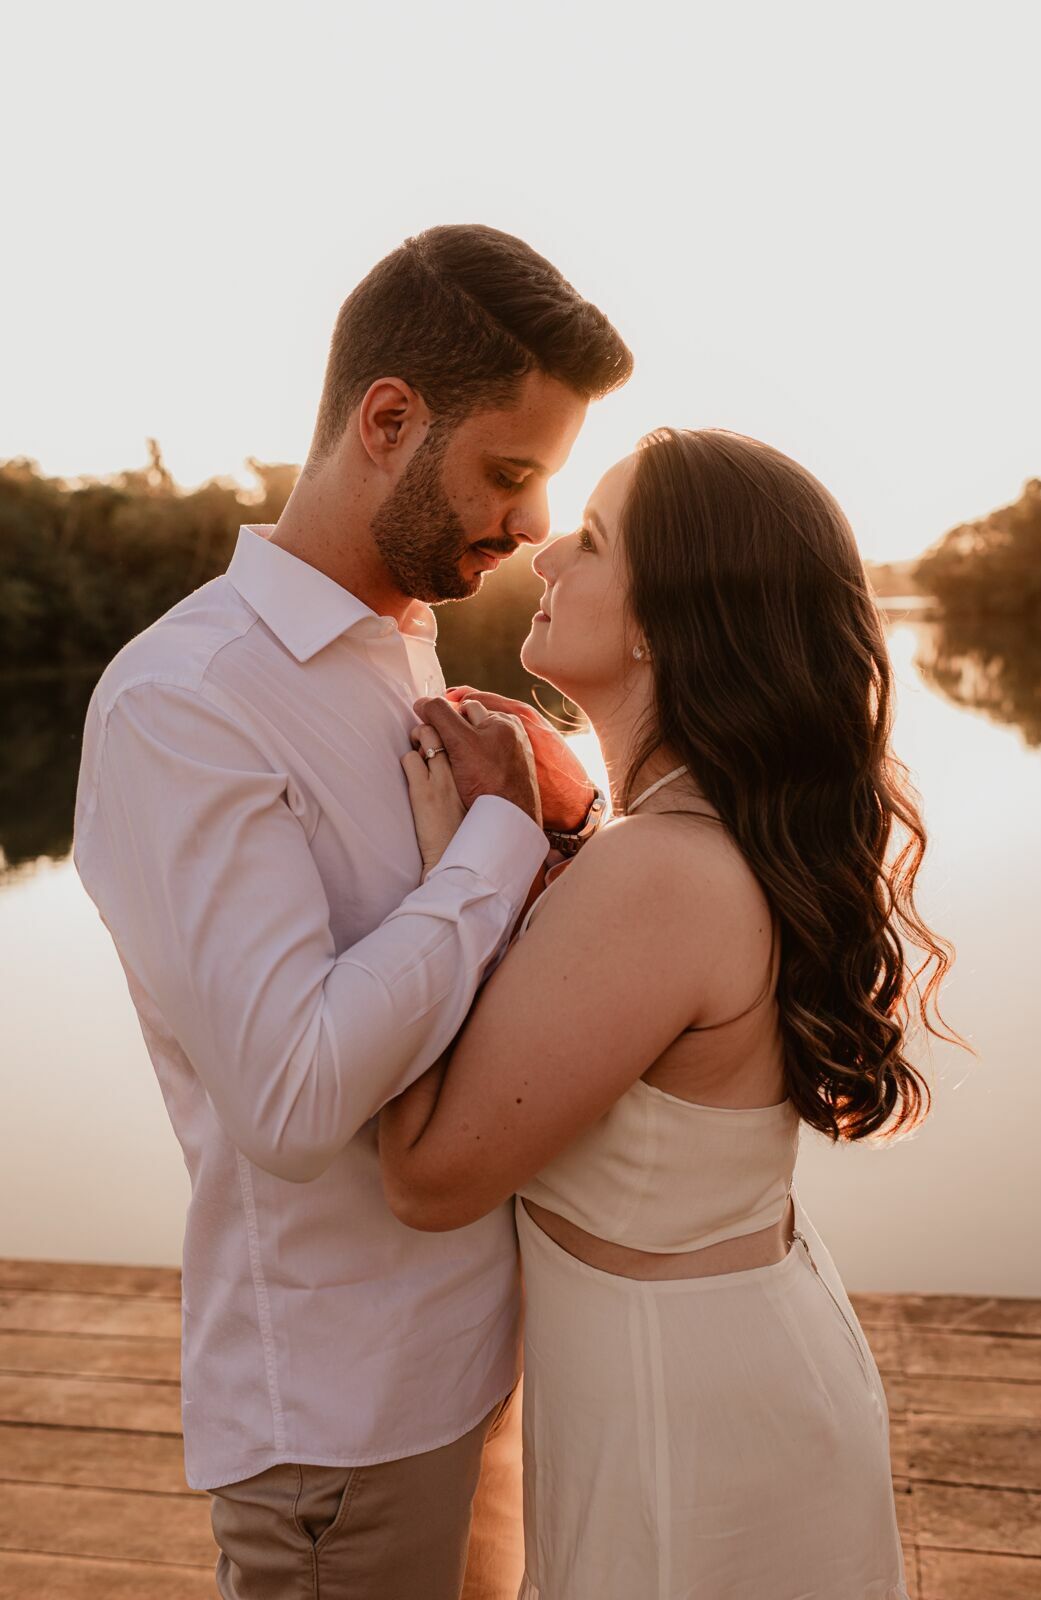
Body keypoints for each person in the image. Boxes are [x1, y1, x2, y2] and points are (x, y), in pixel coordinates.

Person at [73, 224, 631, 1600]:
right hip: (344, 1420)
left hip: (481, 1362)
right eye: (510, 473)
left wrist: (563, 830)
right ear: (388, 420)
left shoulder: (404, 656)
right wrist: (498, 835)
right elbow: (292, 1097)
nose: (532, 526)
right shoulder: (186, 702)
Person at [379, 428, 957, 1599]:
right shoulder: (697, 836)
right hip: (713, 1372)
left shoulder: (662, 871)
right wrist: (563, 819)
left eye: (593, 540)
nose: (546, 554)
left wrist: (455, 868)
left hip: (683, 1424)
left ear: (667, 621)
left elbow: (428, 1177)